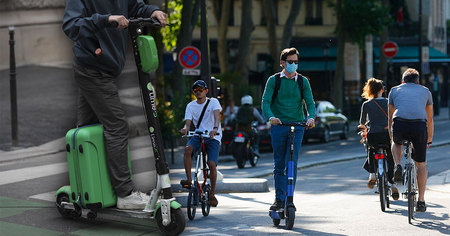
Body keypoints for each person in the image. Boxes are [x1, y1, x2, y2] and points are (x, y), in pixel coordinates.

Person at [62, 1, 167, 210]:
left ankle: (89, 188)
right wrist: (106, 19)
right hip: (92, 69)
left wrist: (152, 11)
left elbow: (136, 6)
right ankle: (125, 193)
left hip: (106, 69)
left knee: (86, 127)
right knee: (117, 126)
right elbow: (71, 25)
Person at [261, 48, 316, 211]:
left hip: (298, 126)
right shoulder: (274, 80)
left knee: (292, 163)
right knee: (279, 165)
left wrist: (311, 117)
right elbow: (265, 102)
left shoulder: (302, 81)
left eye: (296, 62)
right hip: (279, 126)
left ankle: (289, 198)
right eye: (290, 62)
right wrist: (271, 117)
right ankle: (279, 199)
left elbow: (310, 103)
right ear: (283, 62)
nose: (294, 65)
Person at [388, 68, 434, 212]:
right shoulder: (426, 91)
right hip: (419, 126)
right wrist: (429, 138)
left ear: (403, 81)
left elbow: (390, 118)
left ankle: (398, 165)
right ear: (418, 81)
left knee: (396, 142)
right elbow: (430, 119)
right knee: (421, 165)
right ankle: (420, 201)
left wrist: (391, 135)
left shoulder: (394, 91)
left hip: (400, 123)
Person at [180, 80, 222, 207]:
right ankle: (188, 179)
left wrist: (215, 129)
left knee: (211, 164)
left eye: (201, 89)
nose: (198, 92)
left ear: (206, 91)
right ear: (194, 92)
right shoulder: (190, 105)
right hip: (198, 135)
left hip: (213, 136)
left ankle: (212, 194)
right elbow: (188, 121)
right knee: (188, 149)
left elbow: (217, 116)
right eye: (196, 90)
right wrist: (186, 128)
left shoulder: (213, 102)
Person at [358, 78, 398, 200]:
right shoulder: (388, 102)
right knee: (391, 156)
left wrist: (363, 128)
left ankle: (372, 174)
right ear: (382, 90)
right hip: (387, 135)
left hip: (373, 135)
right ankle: (392, 182)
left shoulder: (366, 104)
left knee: (370, 148)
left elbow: (362, 123)